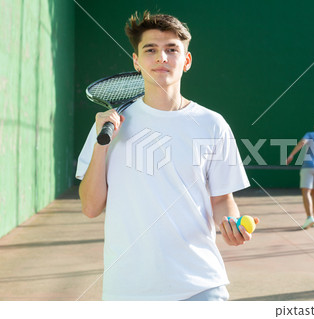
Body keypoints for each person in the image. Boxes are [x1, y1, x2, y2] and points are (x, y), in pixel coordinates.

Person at [76, 11, 258, 301]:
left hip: (200, 288)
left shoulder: (213, 124)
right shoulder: (109, 126)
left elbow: (223, 200)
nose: (162, 57)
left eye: (172, 49)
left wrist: (232, 224)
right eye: (150, 50)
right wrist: (102, 143)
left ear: (186, 61)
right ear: (136, 61)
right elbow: (91, 206)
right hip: (127, 291)